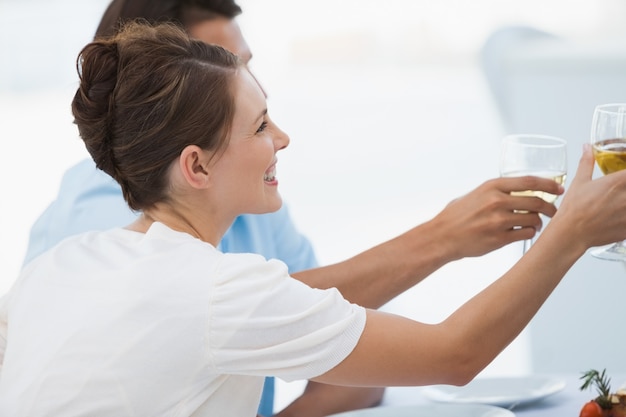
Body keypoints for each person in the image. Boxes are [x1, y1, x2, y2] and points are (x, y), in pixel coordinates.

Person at [2, 21, 626, 417]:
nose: (283, 138)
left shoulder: (64, 268)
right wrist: (570, 233)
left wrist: (446, 237)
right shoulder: (212, 290)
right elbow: (455, 355)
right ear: (196, 166)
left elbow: (270, 305)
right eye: (259, 126)